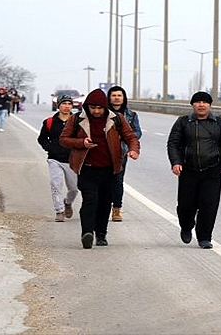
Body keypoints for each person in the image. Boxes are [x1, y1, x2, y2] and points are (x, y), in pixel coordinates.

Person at [59, 88, 140, 249]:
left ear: (105, 107)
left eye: (99, 108)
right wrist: (81, 143)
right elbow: (64, 139)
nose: (96, 111)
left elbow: (130, 136)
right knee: (90, 200)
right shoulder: (77, 119)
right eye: (93, 108)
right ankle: (87, 233)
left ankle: (101, 234)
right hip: (87, 168)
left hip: (110, 168)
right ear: (87, 106)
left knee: (104, 203)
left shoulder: (117, 118)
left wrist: (133, 150)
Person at [166, 91, 221, 249]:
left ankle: (204, 237)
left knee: (209, 205)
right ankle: (186, 226)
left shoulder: (219, 123)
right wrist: (176, 162)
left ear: (210, 105)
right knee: (185, 205)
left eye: (205, 102)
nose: (201, 105)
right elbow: (173, 143)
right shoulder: (183, 122)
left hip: (212, 171)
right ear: (192, 105)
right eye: (197, 102)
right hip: (188, 170)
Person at [37, 93, 79, 222]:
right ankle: (59, 210)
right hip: (54, 159)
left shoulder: (77, 121)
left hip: (71, 160)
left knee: (74, 188)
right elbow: (42, 138)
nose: (66, 107)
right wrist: (50, 148)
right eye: (64, 104)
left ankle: (67, 202)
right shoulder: (49, 122)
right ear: (58, 105)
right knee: (56, 184)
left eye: (69, 104)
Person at [107, 85, 142, 222]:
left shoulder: (131, 115)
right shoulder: (102, 113)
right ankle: (101, 206)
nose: (116, 98)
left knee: (118, 180)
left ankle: (116, 209)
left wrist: (125, 138)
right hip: (103, 151)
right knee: (103, 180)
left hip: (121, 152)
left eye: (119, 95)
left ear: (123, 98)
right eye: (114, 95)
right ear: (109, 98)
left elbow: (137, 133)